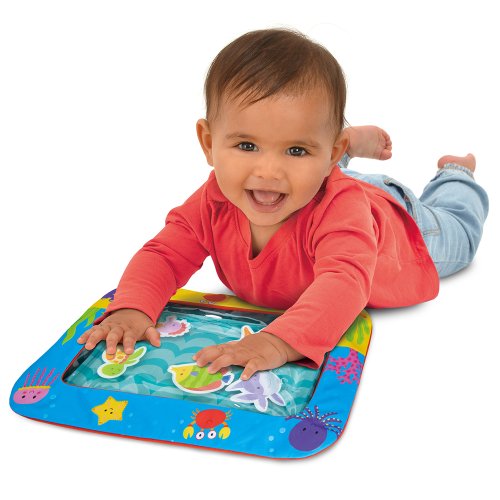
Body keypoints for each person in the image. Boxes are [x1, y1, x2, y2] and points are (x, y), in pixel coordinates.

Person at [77, 28, 489, 380]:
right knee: (298, 179)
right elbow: (164, 255)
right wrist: (133, 307)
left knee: (460, 230)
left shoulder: (340, 211)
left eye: (295, 149)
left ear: (329, 154)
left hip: (401, 229)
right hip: (312, 184)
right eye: (247, 145)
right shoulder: (214, 200)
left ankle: (456, 174)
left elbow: (344, 282)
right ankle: (334, 145)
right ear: (208, 143)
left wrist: (279, 340)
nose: (268, 171)